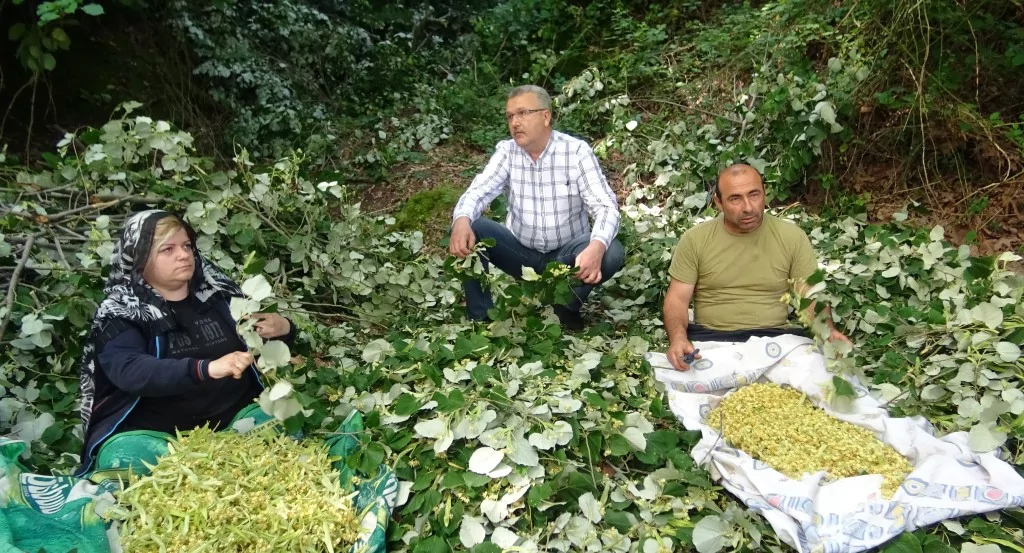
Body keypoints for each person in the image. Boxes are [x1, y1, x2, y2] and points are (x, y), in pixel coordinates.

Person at [75, 210, 295, 475]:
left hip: (237, 422)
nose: (183, 255)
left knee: (285, 419)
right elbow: (130, 370)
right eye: (167, 249)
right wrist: (206, 368)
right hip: (158, 437)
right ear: (140, 258)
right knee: (124, 458)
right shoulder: (123, 312)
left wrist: (284, 328)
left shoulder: (219, 296)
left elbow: (261, 346)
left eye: (187, 246)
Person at [448, 85, 625, 330]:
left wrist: (596, 247)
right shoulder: (507, 152)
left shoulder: (576, 152)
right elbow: (478, 191)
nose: (515, 122)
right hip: (520, 254)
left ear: (545, 116)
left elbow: (606, 207)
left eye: (522, 113)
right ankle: (480, 320)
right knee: (469, 225)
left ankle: (566, 307)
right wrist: (461, 219)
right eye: (510, 116)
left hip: (567, 257)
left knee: (610, 250)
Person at [662, 163, 852, 370]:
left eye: (754, 195)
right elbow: (677, 299)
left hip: (776, 341)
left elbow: (809, 297)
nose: (748, 207)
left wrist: (828, 332)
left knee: (826, 378)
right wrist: (678, 338)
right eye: (735, 199)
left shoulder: (792, 237)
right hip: (712, 340)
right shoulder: (695, 240)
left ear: (764, 193)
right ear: (718, 202)